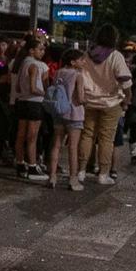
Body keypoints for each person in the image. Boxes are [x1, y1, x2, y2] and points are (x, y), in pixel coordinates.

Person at [76, 24, 133, 184]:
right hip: (111, 102)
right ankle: (103, 173)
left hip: (89, 101)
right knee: (106, 139)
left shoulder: (87, 55)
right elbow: (125, 80)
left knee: (87, 135)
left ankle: (81, 170)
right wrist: (127, 98)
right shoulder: (115, 56)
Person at [46, 47, 86, 190]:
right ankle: (73, 180)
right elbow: (80, 98)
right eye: (81, 60)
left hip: (59, 112)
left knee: (56, 145)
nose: (83, 62)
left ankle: (52, 176)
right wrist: (87, 101)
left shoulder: (57, 73)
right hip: (74, 114)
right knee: (73, 148)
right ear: (73, 61)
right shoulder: (78, 75)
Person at [11, 39, 49, 179]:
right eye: (40, 49)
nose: (42, 52)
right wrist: (44, 93)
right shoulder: (35, 65)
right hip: (34, 103)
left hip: (22, 101)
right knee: (32, 136)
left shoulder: (22, 64)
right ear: (31, 50)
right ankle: (32, 166)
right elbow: (34, 88)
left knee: (21, 135)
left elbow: (17, 87)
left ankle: (20, 163)